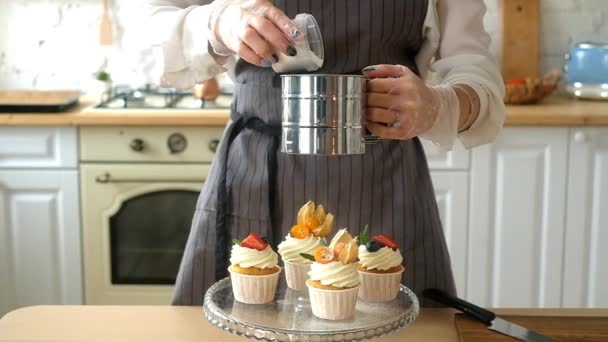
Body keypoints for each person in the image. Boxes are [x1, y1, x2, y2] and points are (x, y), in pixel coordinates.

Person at [143, 0, 505, 306]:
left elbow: (476, 74)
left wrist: (439, 105)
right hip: (255, 177)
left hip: (384, 184)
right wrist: (219, 21)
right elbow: (145, 44)